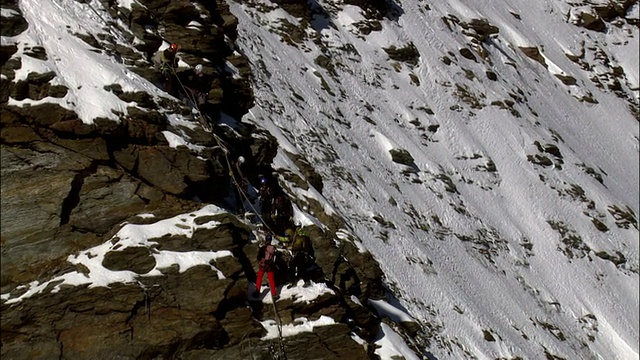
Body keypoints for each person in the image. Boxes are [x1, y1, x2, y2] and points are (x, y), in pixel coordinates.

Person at [254, 235, 279, 300]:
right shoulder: (273, 248)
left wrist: (260, 262)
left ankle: (257, 292)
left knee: (259, 278)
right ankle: (274, 294)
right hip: (270, 266)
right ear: (271, 240)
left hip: (263, 266)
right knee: (271, 280)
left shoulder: (262, 248)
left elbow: (258, 257)